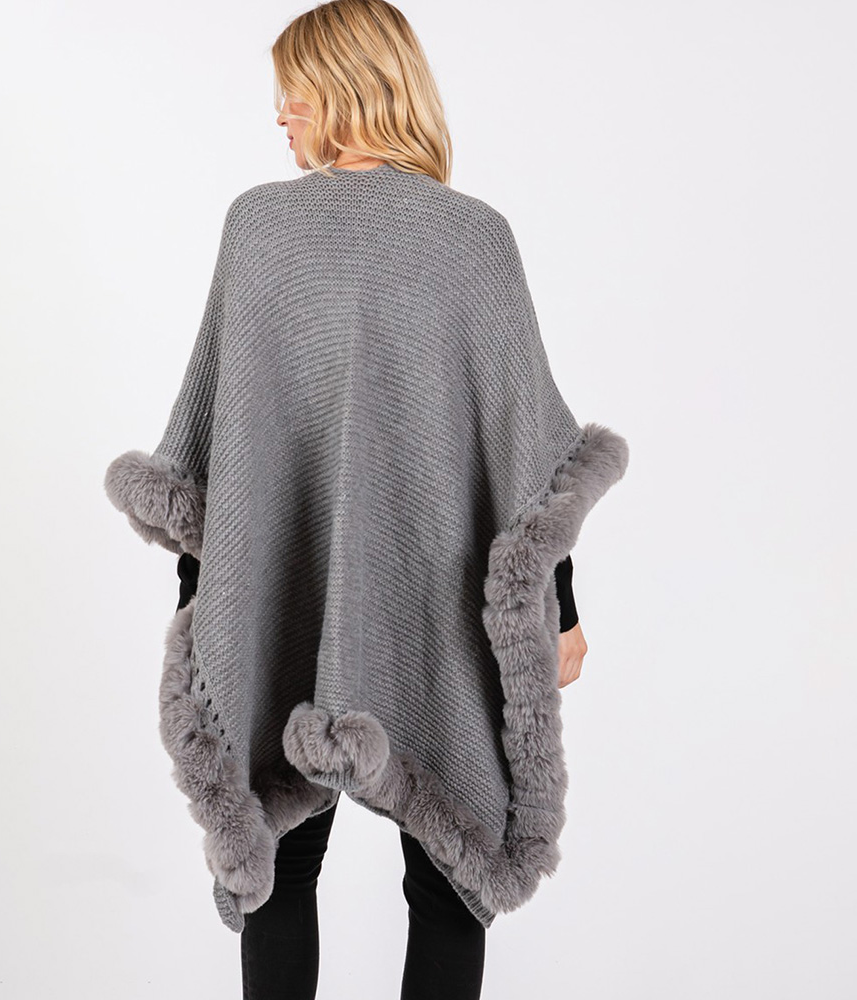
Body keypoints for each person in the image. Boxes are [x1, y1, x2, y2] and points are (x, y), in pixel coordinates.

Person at [103, 2, 629, 997]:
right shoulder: (458, 238)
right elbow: (241, 441)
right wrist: (558, 613)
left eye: (293, 93)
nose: (279, 115)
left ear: (348, 87)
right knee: (443, 878)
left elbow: (518, 441)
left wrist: (210, 606)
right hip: (427, 607)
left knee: (298, 860)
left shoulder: (296, 231)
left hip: (357, 596)